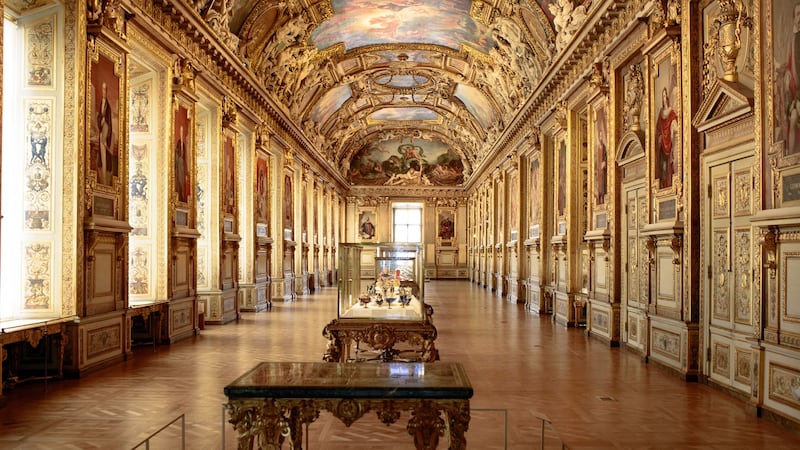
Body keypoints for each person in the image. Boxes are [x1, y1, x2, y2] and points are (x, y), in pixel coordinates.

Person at [782, 3, 800, 155]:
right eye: (798, 15)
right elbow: (790, 64)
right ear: (794, 19)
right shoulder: (793, 41)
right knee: (793, 118)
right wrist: (787, 73)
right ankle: (792, 157)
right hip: (797, 91)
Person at [656, 86, 678, 189]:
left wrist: (673, 128)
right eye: (663, 96)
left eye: (666, 96)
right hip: (662, 144)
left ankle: (669, 183)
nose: (665, 98)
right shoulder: (661, 113)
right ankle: (664, 184)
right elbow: (658, 128)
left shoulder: (671, 111)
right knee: (663, 166)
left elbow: (675, 122)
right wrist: (660, 137)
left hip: (669, 141)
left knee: (669, 164)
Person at [97, 81, 114, 185]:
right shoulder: (101, 103)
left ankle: (105, 180)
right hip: (101, 134)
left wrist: (104, 122)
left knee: (105, 159)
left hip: (105, 136)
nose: (103, 91)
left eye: (105, 89)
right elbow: (99, 117)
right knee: (101, 158)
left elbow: (108, 121)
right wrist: (100, 121)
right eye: (102, 89)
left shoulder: (108, 106)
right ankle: (102, 179)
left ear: (106, 91)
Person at [175, 125, 188, 202]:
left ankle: (182, 196)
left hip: (182, 170)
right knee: (179, 183)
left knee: (182, 184)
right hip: (178, 171)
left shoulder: (182, 160)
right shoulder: (177, 156)